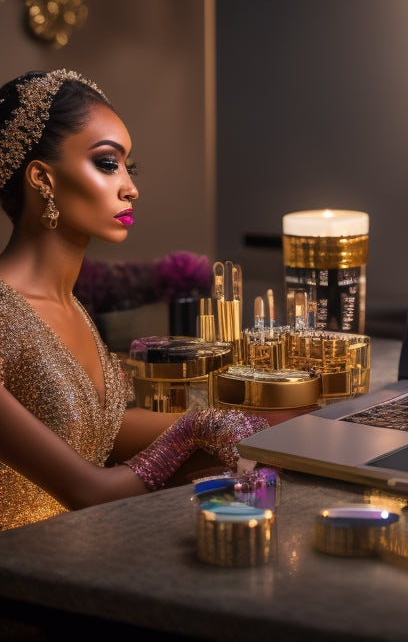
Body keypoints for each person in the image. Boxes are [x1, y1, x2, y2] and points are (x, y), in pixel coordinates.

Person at [0, 69, 267, 530]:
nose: (130, 187)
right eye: (107, 163)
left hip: (87, 557)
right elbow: (87, 490)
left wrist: (245, 420)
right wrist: (192, 431)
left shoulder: (72, 309)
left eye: (129, 167)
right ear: (43, 178)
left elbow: (108, 430)